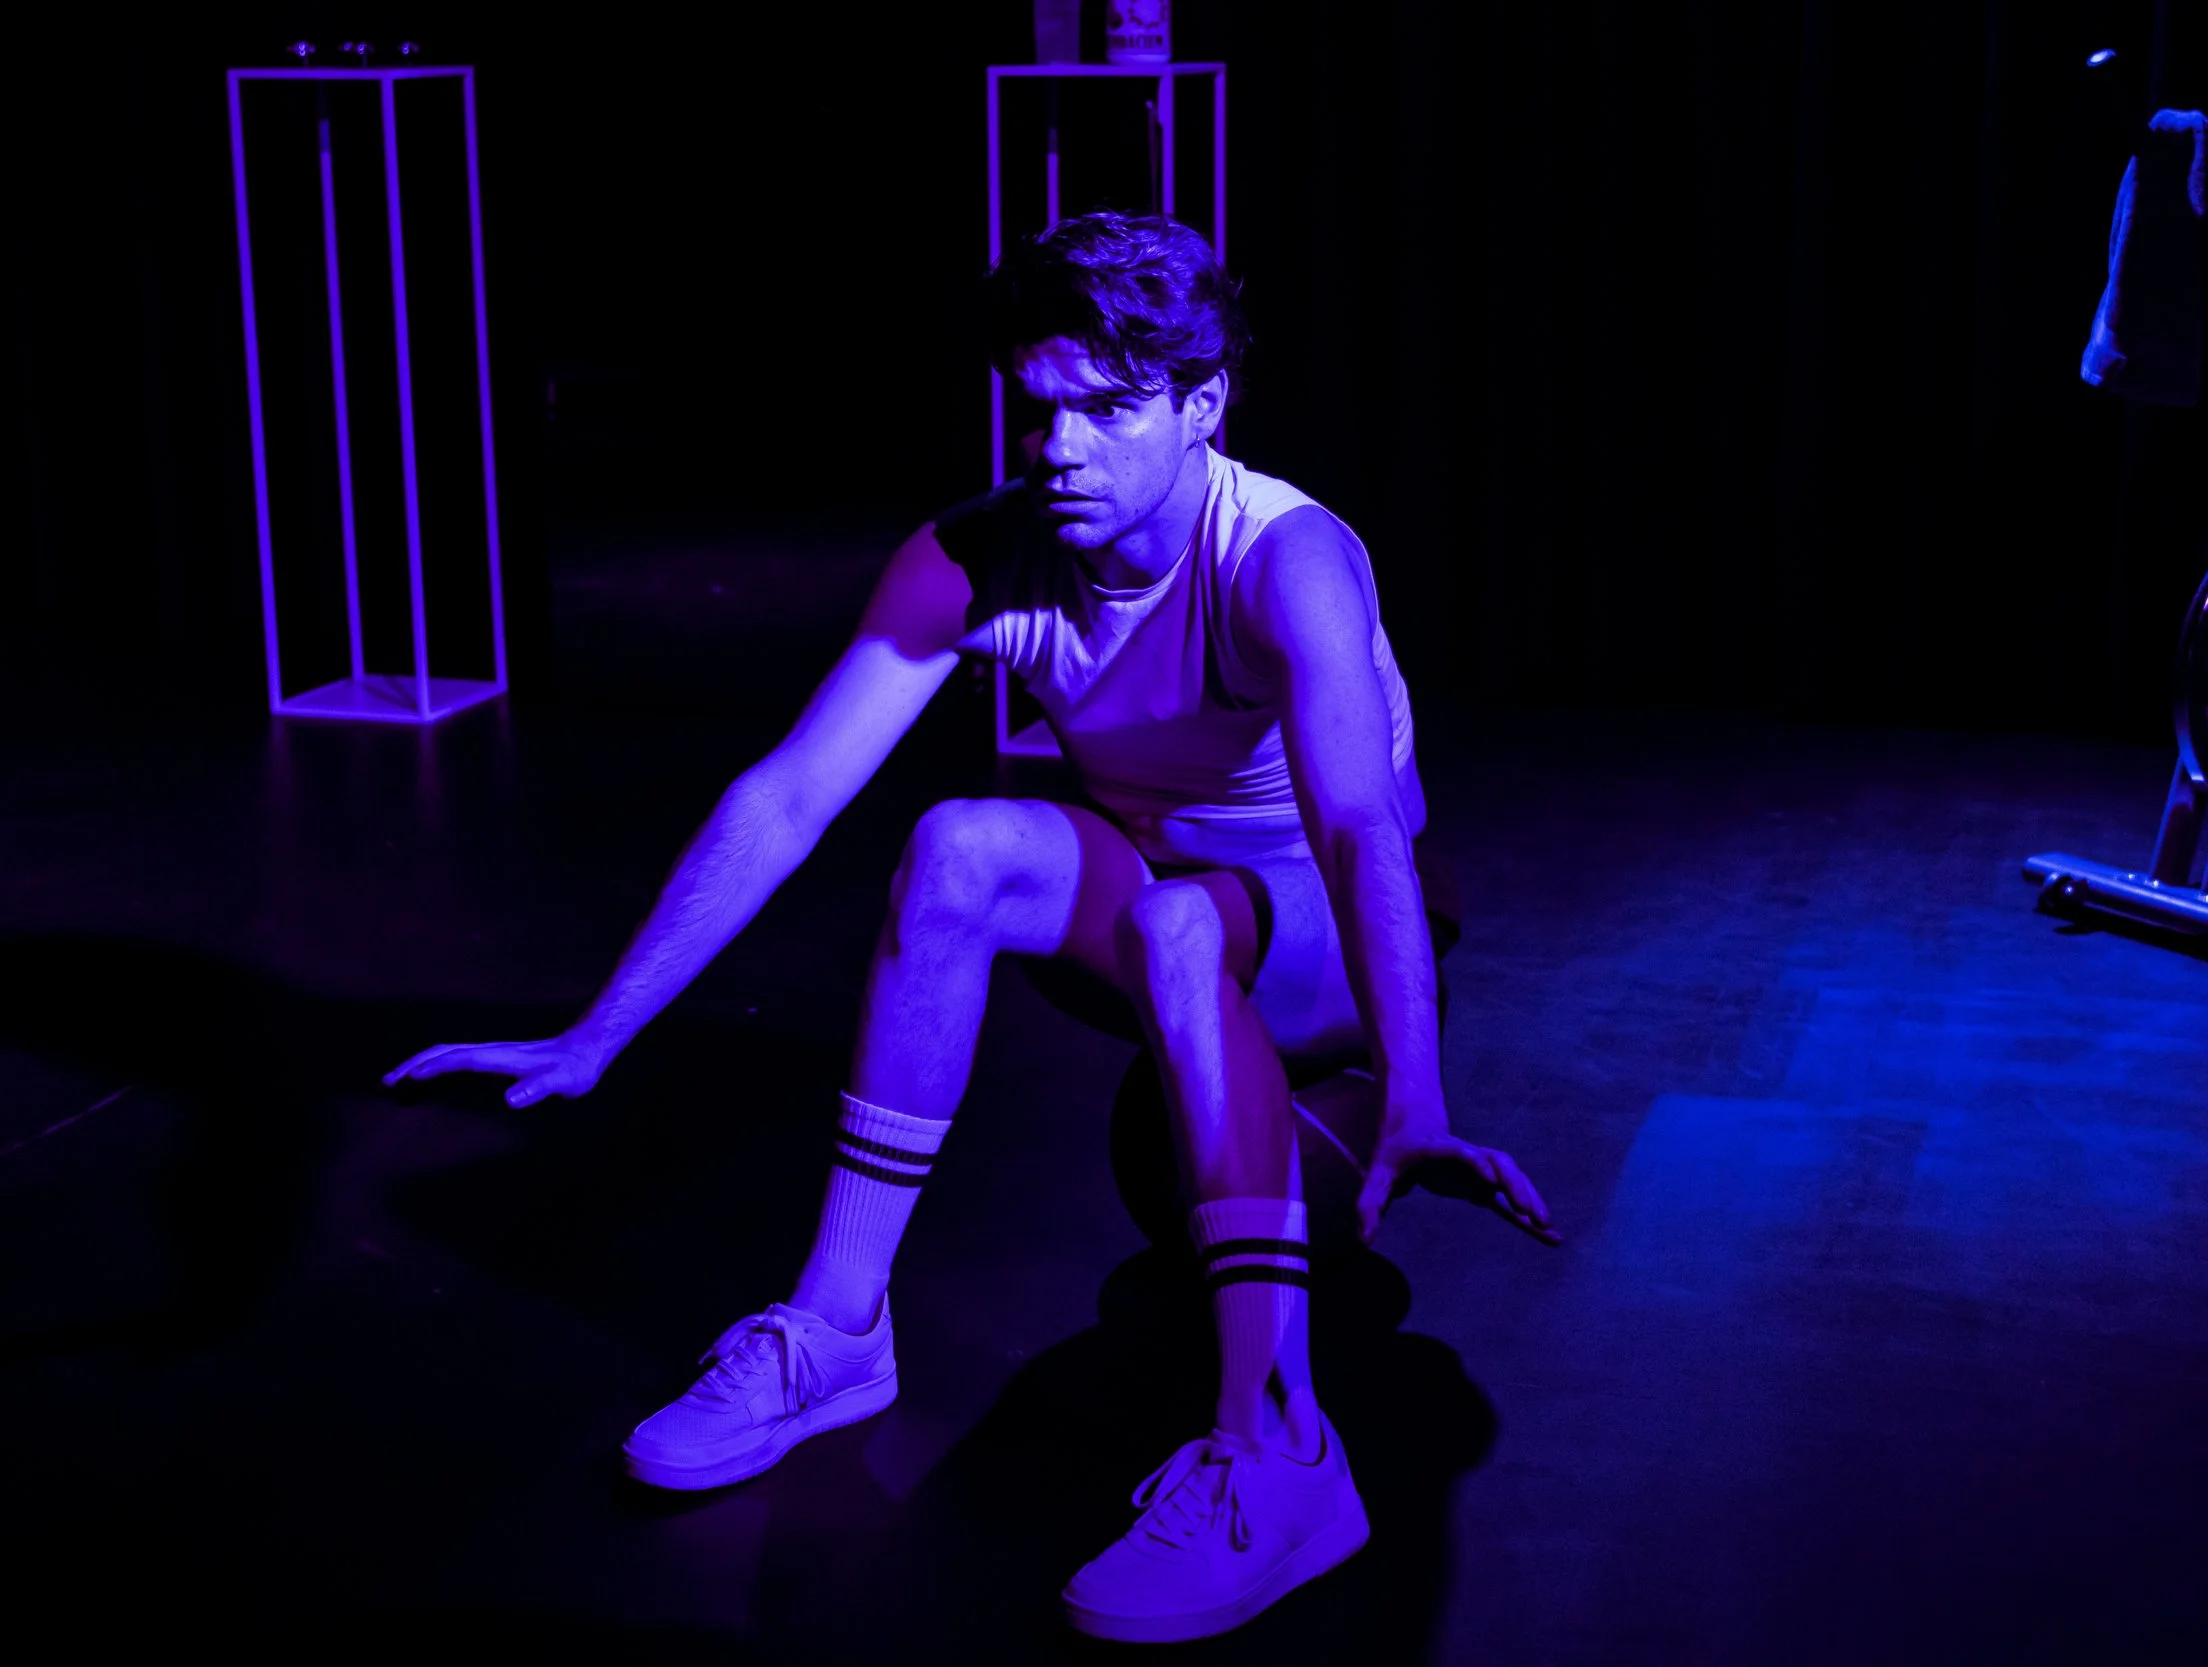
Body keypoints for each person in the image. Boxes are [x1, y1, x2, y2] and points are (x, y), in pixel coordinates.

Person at [384, 210, 1558, 1644]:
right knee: (955, 846)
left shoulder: (1286, 554)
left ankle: (1282, 1444)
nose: (1061, 449)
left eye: (1111, 409)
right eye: (1042, 407)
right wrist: (599, 1029)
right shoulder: (981, 555)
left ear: (1202, 406)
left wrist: (1418, 1095)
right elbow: (791, 791)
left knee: (1189, 924)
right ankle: (836, 1329)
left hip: (1318, 929)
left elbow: (1365, 830)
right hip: (1145, 890)